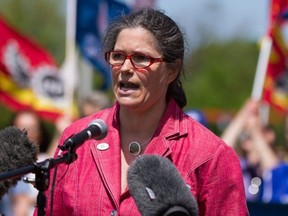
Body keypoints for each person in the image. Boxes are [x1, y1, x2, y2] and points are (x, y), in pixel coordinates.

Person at [36, 8, 248, 215]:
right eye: (118, 56)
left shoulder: (210, 155)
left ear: (171, 71)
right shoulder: (78, 141)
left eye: (140, 58)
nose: (125, 68)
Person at [0, 110, 52, 216]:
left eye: (33, 128)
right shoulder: (6, 162)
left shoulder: (44, 162)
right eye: (22, 128)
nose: (28, 133)